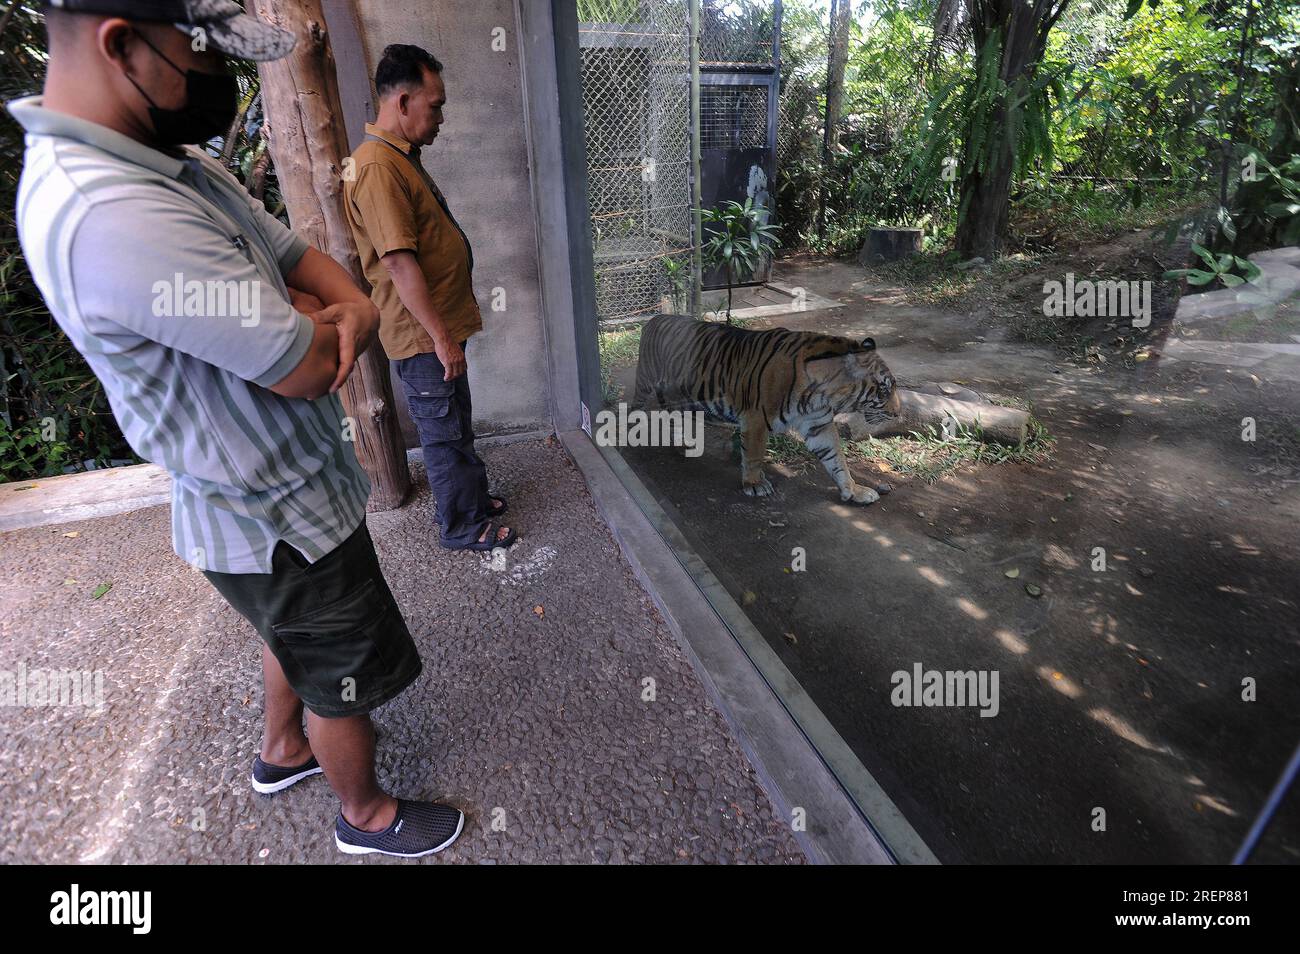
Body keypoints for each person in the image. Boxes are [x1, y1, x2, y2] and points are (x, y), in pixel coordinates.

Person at [11, 0, 463, 858]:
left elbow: (302, 261)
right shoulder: (111, 211)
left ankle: (280, 751)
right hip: (274, 514)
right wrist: (321, 315)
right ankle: (363, 814)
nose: (218, 75)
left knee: (287, 635)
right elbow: (303, 362)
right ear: (123, 44)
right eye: (202, 52)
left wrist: (328, 307)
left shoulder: (166, 166)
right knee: (341, 675)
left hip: (274, 503)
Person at [343, 43, 515, 552]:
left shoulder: (397, 158)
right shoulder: (376, 167)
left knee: (456, 422)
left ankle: (474, 501)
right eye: (434, 104)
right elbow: (397, 261)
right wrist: (441, 338)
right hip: (423, 335)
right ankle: (462, 526)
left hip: (435, 330)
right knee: (442, 434)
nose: (440, 116)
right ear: (401, 102)